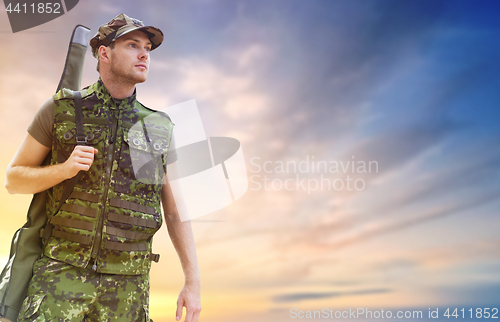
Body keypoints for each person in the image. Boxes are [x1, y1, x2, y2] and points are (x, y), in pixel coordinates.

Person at [4, 13, 201, 322]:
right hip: (60, 280)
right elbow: (13, 180)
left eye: (147, 48)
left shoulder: (158, 127)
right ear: (105, 53)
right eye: (133, 45)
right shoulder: (61, 109)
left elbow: (175, 211)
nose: (144, 54)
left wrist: (193, 281)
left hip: (127, 291)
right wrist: (64, 169)